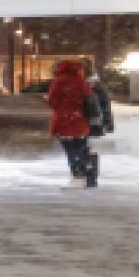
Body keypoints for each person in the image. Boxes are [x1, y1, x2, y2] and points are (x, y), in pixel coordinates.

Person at [47, 60, 98, 188]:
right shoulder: (81, 81)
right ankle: (88, 171)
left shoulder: (59, 81)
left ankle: (77, 174)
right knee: (81, 147)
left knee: (70, 149)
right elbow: (89, 99)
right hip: (80, 120)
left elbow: (52, 101)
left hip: (64, 121)